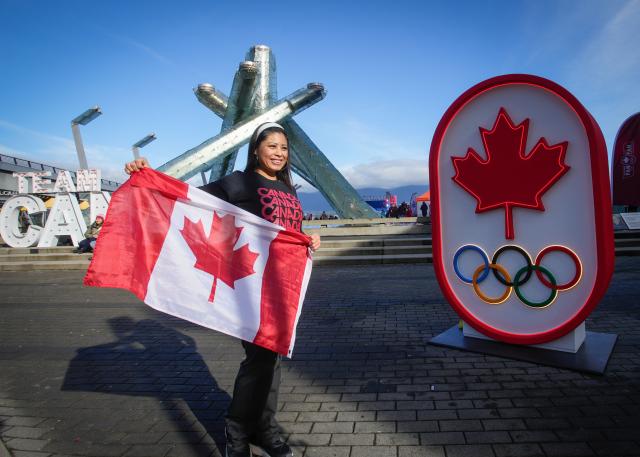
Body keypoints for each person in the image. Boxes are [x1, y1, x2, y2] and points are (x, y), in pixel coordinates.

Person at [125, 122, 320, 457]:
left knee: (272, 358)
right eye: (272, 146)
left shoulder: (288, 188)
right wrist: (149, 174)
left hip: (281, 287)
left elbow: (291, 230)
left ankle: (264, 428)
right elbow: (189, 198)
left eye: (284, 148)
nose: (279, 153)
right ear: (256, 149)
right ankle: (237, 432)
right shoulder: (239, 181)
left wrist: (310, 239)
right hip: (249, 285)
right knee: (259, 359)